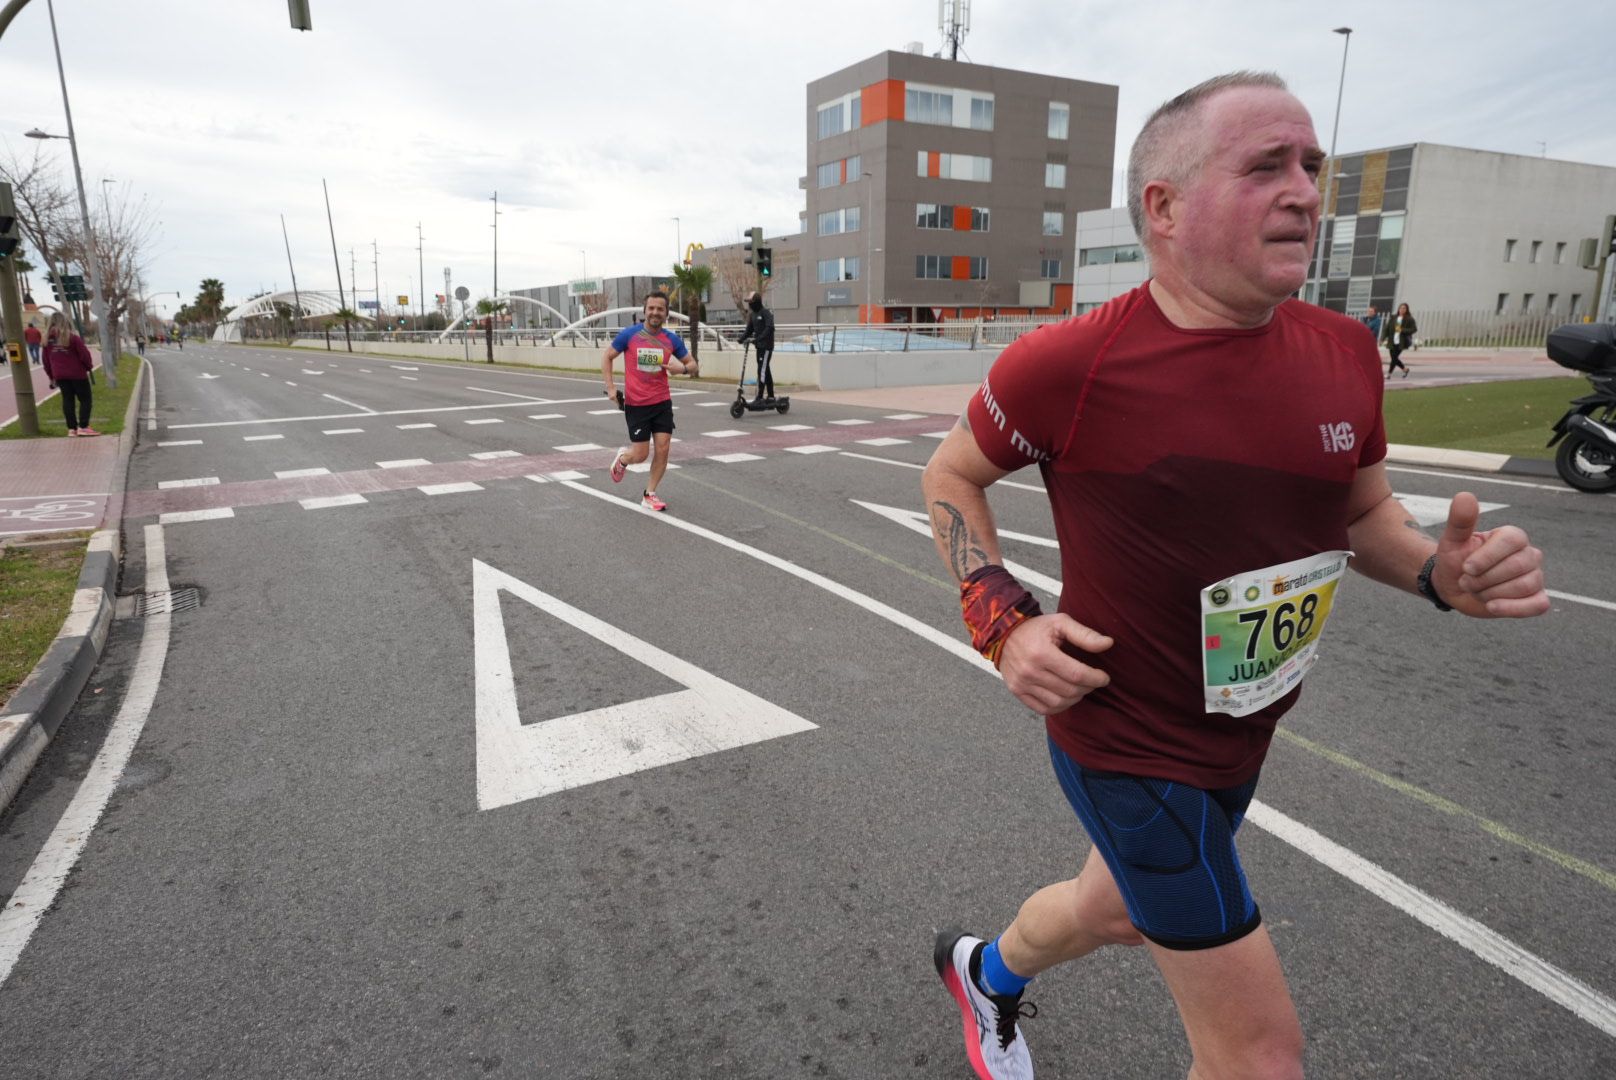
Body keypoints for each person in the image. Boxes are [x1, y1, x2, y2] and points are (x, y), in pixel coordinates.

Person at [920, 71, 1548, 1080]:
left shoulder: (1345, 352)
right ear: (1161, 208)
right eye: (1265, 166)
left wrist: (1439, 574)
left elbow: (1360, 514)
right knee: (1257, 1058)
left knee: (1108, 908)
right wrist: (1000, 618)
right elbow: (950, 472)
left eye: (1310, 165)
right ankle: (988, 978)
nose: (1304, 189)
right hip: (1124, 741)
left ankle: (982, 974)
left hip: (1245, 732)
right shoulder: (1068, 364)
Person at [601, 291, 697, 511]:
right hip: (637, 405)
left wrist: (681, 368)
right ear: (644, 312)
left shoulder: (671, 340)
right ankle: (624, 459)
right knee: (641, 454)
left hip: (662, 402)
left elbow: (693, 364)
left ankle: (649, 494)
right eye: (651, 308)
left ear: (666, 313)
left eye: (660, 309)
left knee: (663, 450)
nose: (655, 312)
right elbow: (607, 356)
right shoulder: (630, 335)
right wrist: (611, 388)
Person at [40, 311, 98, 437]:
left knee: (67, 400)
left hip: (59, 374)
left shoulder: (46, 341)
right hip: (77, 373)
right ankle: (83, 426)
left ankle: (72, 429)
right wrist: (88, 367)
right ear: (65, 322)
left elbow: (46, 361)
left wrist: (51, 376)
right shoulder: (72, 338)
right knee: (85, 399)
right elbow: (84, 355)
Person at [738, 290, 777, 401]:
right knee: (765, 370)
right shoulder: (753, 315)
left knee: (762, 370)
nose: (749, 304)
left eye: (751, 302)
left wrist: (758, 338)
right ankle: (771, 396)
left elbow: (770, 328)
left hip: (766, 347)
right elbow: (749, 330)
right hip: (759, 346)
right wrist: (741, 339)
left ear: (757, 302)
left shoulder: (766, 313)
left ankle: (760, 396)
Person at [1385, 302, 1416, 378]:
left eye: (1404, 308)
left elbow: (1414, 329)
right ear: (1398, 309)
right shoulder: (1394, 317)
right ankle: (1405, 369)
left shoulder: (1409, 319)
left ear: (1407, 310)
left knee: (1394, 358)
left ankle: (1389, 374)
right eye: (1401, 308)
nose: (1402, 309)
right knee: (1394, 358)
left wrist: (1402, 330)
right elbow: (1387, 328)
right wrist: (1383, 337)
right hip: (1392, 341)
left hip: (1401, 342)